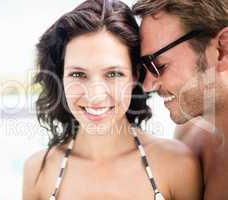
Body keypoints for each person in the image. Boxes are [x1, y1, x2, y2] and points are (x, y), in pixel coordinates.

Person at [23, 0, 202, 199]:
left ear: (135, 75)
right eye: (78, 75)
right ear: (60, 76)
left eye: (113, 74)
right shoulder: (38, 171)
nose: (95, 95)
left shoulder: (177, 165)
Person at [132, 0, 228, 199]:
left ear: (222, 50)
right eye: (145, 67)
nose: (148, 86)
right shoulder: (189, 136)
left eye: (159, 65)